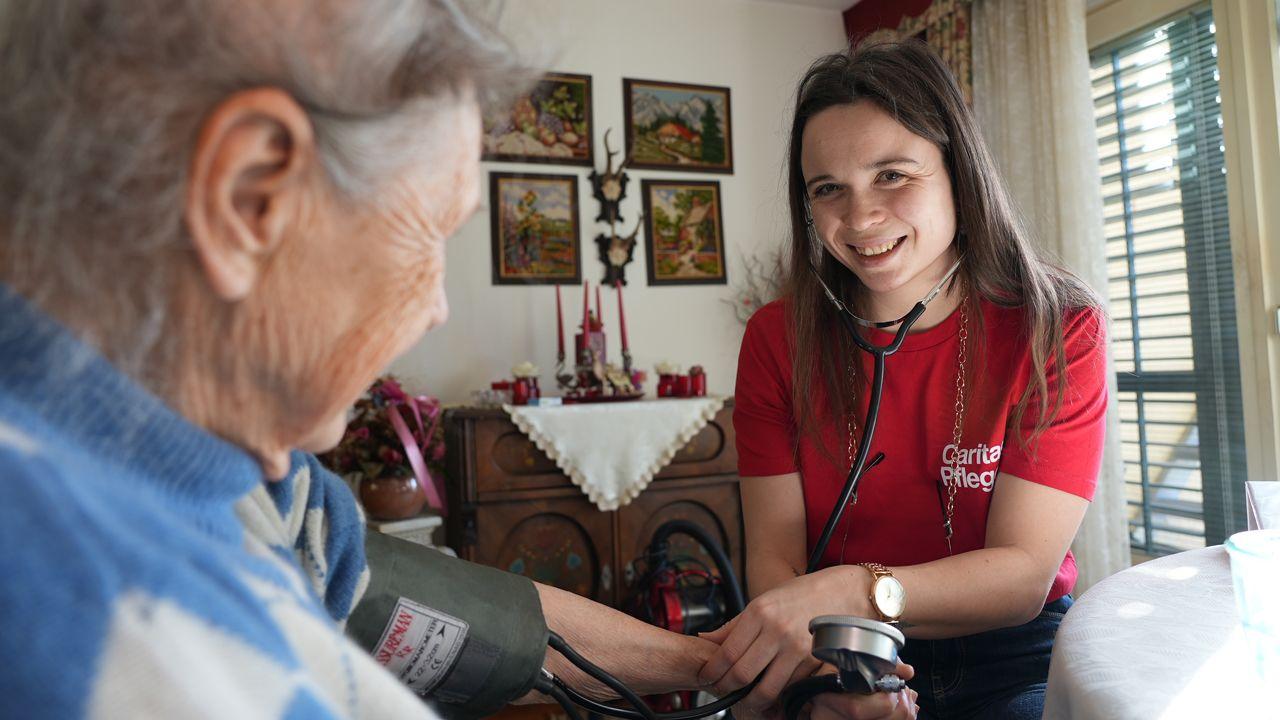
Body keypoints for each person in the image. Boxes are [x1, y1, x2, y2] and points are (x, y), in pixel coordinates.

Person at [0, 2, 912, 718]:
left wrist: (748, 679)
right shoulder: (76, 613)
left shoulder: (234, 468)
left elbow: (432, 613)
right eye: (429, 231)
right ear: (248, 197)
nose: (437, 303)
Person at [699, 40, 1109, 720]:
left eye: (892, 175)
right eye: (828, 188)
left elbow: (1021, 576)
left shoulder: (1058, 327)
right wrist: (835, 678)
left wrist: (858, 592)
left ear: (959, 174)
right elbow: (775, 564)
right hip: (834, 646)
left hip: (1010, 653)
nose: (859, 219)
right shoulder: (776, 339)